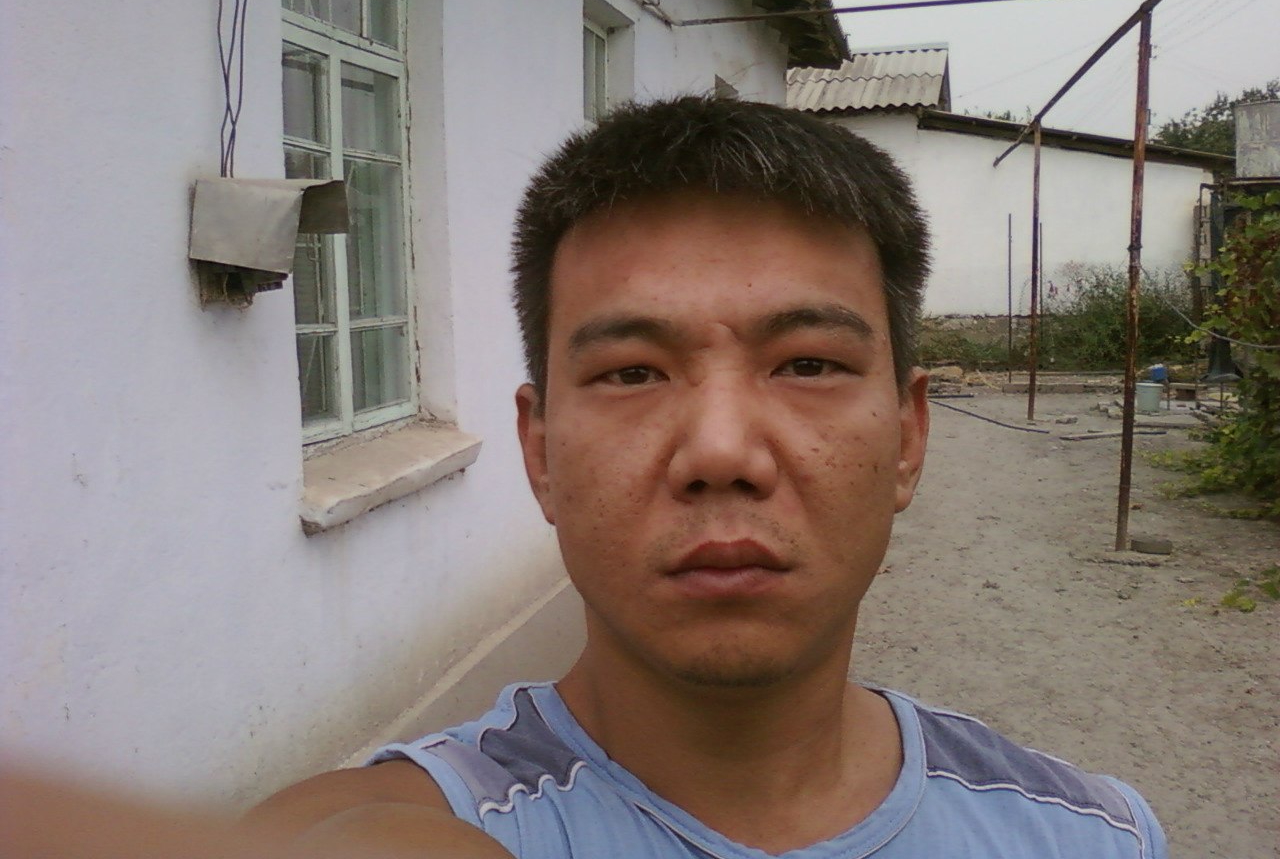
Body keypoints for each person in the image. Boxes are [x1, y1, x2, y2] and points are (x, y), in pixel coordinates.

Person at [238, 96, 1167, 858]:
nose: (721, 453)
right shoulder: (398, 828)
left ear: (908, 437)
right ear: (541, 453)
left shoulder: (1090, 838)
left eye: (808, 364)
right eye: (632, 373)